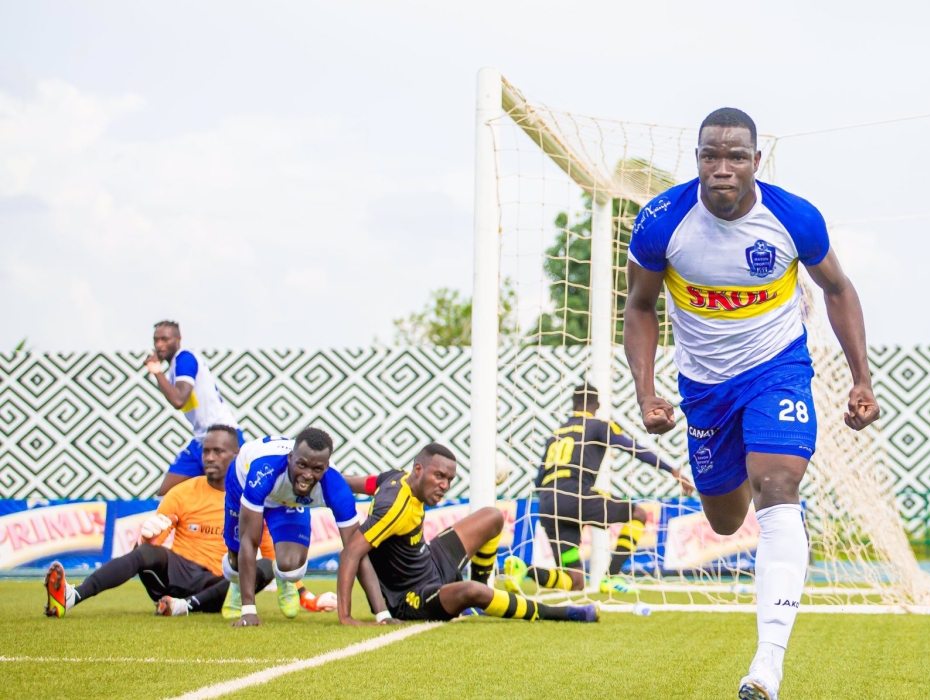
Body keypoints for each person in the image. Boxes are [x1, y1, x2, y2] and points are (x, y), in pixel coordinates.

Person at [622, 108, 881, 700]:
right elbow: (639, 306)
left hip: (777, 371)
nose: (722, 169)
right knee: (726, 519)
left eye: (735, 156)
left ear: (756, 161)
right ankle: (732, 477)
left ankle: (767, 664)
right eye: (710, 156)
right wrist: (646, 391)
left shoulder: (794, 218)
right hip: (705, 389)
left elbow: (837, 289)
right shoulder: (662, 221)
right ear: (697, 161)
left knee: (777, 489)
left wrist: (862, 379)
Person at [335, 443, 598, 626]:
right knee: (469, 591)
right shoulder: (393, 507)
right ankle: (560, 613)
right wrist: (348, 616)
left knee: (493, 517)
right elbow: (350, 554)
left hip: (430, 560)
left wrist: (324, 477)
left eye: (449, 479)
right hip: (412, 595)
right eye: (439, 476)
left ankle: (484, 589)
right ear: (419, 470)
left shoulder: (395, 478)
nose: (444, 485)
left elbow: (354, 483)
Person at [43, 425, 274, 617]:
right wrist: (144, 539)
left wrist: (296, 590)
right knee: (145, 552)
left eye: (218, 451)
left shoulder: (251, 498)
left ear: (237, 454)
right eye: (206, 452)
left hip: (218, 585)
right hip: (177, 574)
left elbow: (270, 556)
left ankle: (184, 606)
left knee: (265, 566)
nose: (210, 458)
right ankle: (72, 596)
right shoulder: (181, 492)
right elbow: (150, 545)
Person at [503, 382, 693, 595]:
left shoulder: (555, 435)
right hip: (576, 496)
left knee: (575, 581)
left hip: (548, 503)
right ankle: (611, 577)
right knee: (637, 514)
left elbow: (539, 479)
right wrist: (673, 471)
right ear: (598, 404)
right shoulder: (598, 425)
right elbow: (631, 448)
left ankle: (524, 569)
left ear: (573, 404)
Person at [222, 427, 378, 627]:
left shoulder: (335, 484)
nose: (307, 475)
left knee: (292, 569)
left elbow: (356, 550)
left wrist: (382, 615)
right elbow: (249, 540)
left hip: (287, 497)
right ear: (290, 458)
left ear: (326, 467)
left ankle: (283, 580)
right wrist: (249, 611)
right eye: (302, 465)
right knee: (235, 563)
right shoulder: (263, 470)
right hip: (244, 484)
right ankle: (238, 585)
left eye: (316, 469)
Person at [144, 320, 240, 497]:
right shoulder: (175, 367)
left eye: (165, 339)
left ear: (178, 339)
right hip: (201, 439)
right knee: (165, 495)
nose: (159, 345)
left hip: (222, 436)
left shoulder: (185, 358)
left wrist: (157, 371)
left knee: (233, 493)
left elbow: (179, 399)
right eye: (156, 340)